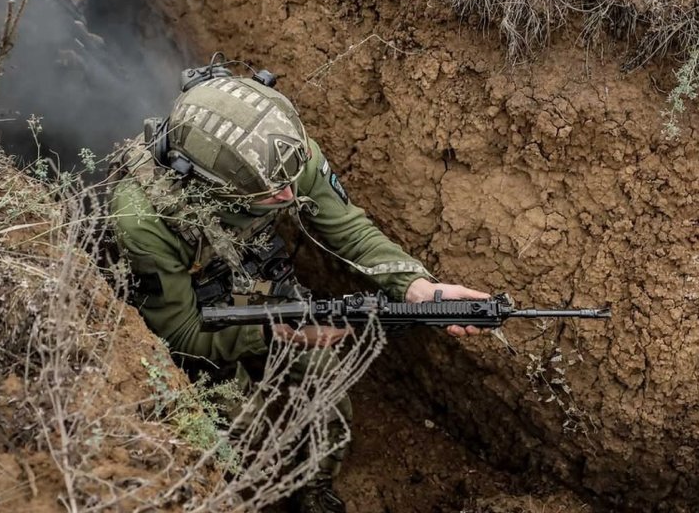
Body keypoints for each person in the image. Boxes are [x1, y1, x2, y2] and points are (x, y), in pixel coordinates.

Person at [110, 63, 490, 513]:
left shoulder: (284, 154)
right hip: (195, 314)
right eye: (272, 195)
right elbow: (180, 334)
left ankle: (315, 487)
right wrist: (273, 331)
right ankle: (255, 491)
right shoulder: (143, 218)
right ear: (212, 189)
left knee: (326, 380)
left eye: (292, 182)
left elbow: (348, 228)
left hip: (256, 279)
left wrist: (416, 286)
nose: (290, 196)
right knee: (244, 426)